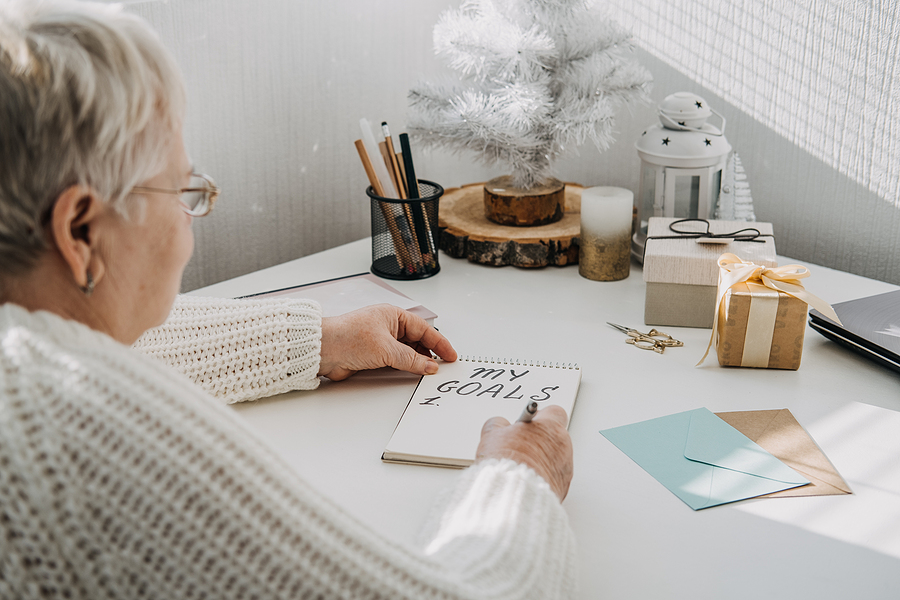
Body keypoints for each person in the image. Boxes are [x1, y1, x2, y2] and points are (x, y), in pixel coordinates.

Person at [0, 1, 576, 598]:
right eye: (182, 190)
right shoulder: (83, 440)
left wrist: (321, 340)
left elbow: (96, 342)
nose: (190, 219)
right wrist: (522, 474)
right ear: (81, 233)